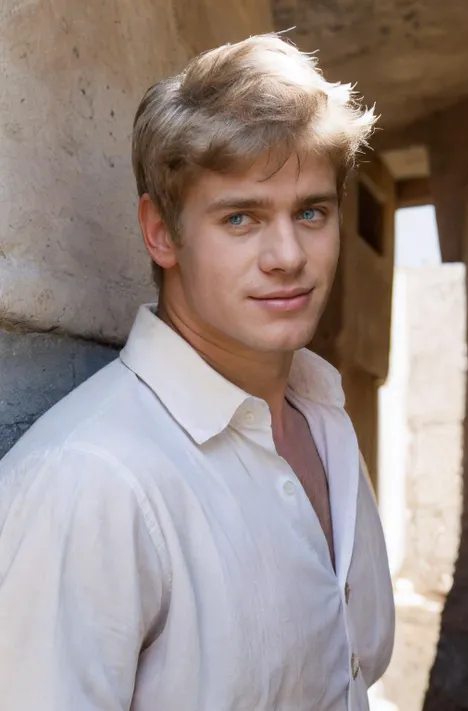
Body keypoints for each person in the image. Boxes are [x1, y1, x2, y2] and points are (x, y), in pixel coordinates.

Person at [0, 33, 394, 711]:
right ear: (161, 231)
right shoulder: (86, 480)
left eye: (311, 212)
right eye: (241, 217)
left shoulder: (326, 418)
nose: (287, 255)